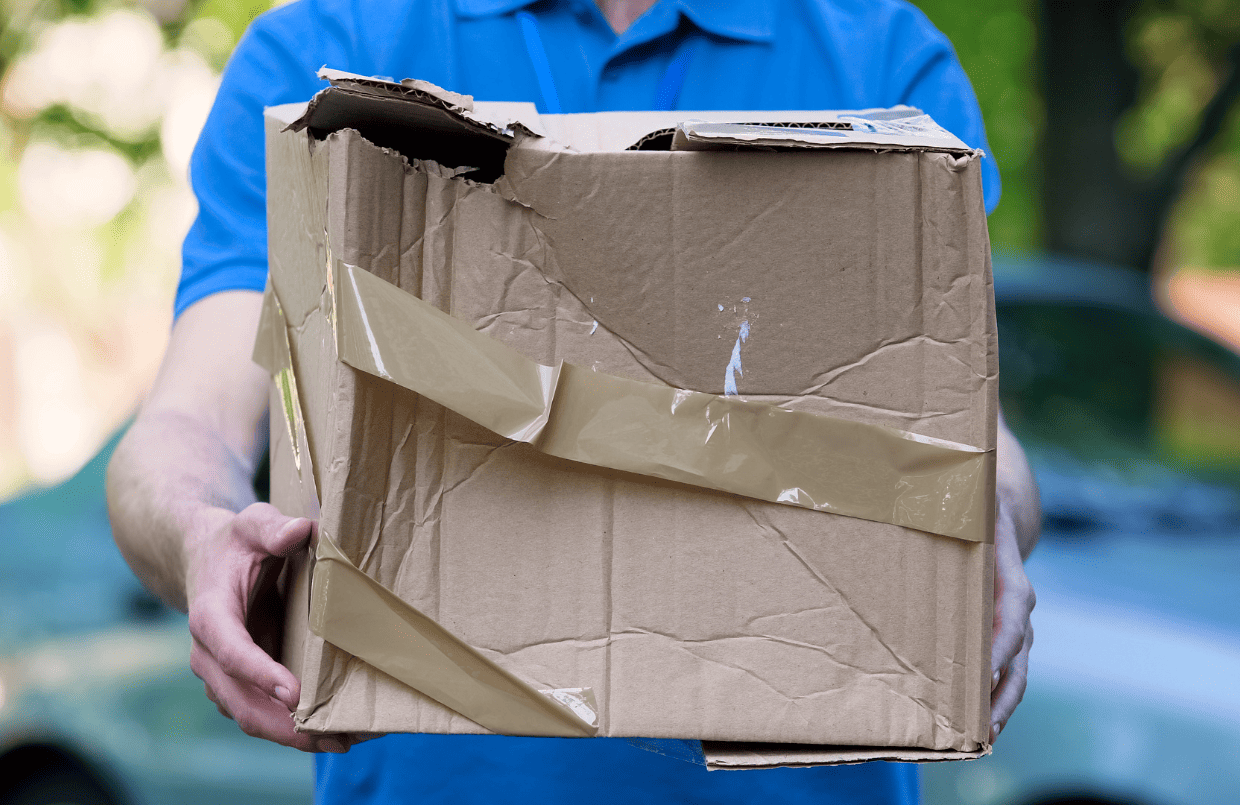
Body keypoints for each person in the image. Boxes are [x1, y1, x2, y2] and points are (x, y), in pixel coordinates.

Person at [106, 0, 1041, 802]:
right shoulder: (326, 52)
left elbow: (976, 443)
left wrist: (983, 523)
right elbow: (187, 423)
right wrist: (199, 535)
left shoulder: (880, 58)